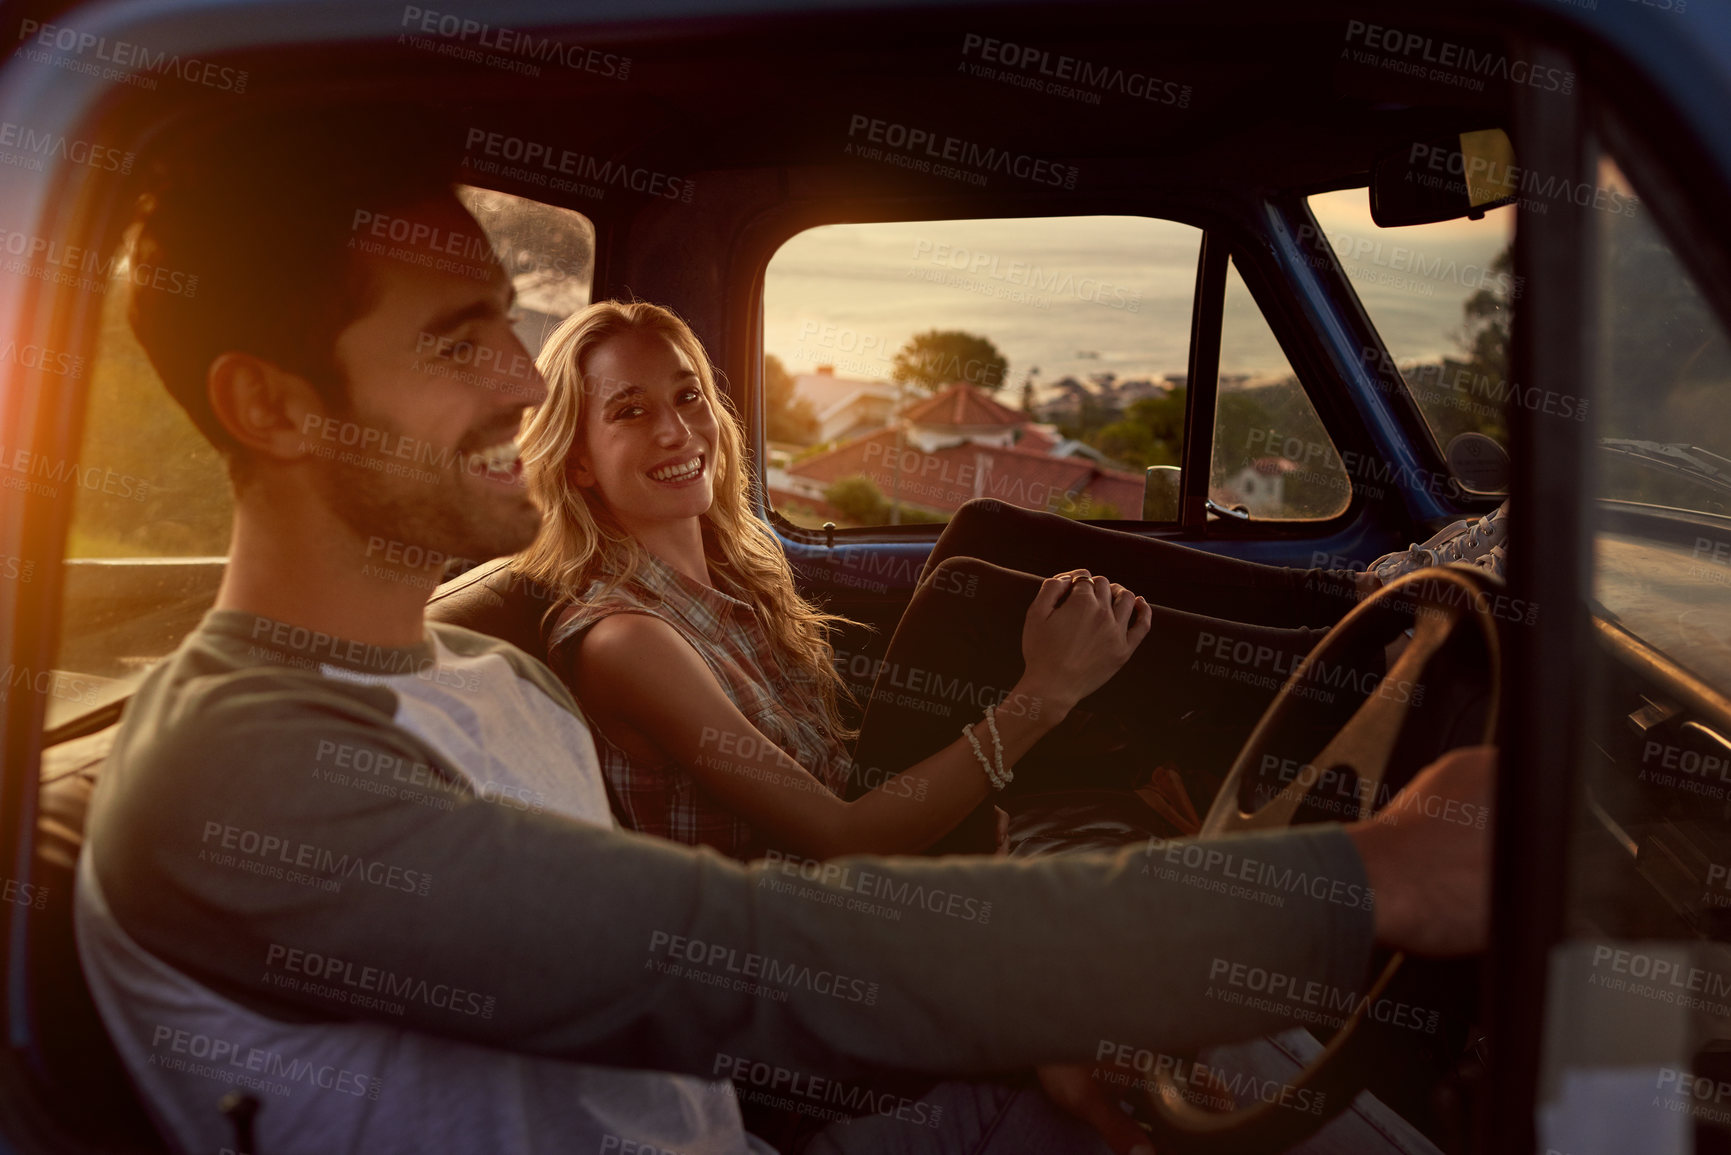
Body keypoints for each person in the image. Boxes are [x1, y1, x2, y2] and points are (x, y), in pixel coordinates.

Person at [74, 109, 1495, 1155]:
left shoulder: (492, 674)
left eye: (511, 327)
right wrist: (1359, 877)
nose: (523, 380)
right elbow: (745, 953)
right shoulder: (241, 769)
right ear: (269, 406)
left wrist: (1048, 1023)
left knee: (1228, 1051)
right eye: (457, 341)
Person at [512, 300, 1502, 862]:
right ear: (579, 458)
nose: (677, 431)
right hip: (815, 917)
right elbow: (840, 839)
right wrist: (1039, 698)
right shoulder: (623, 638)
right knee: (979, 599)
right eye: (631, 412)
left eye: (688, 397)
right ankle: (1354, 670)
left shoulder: (730, 575)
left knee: (983, 530)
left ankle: (1358, 602)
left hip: (856, 815)